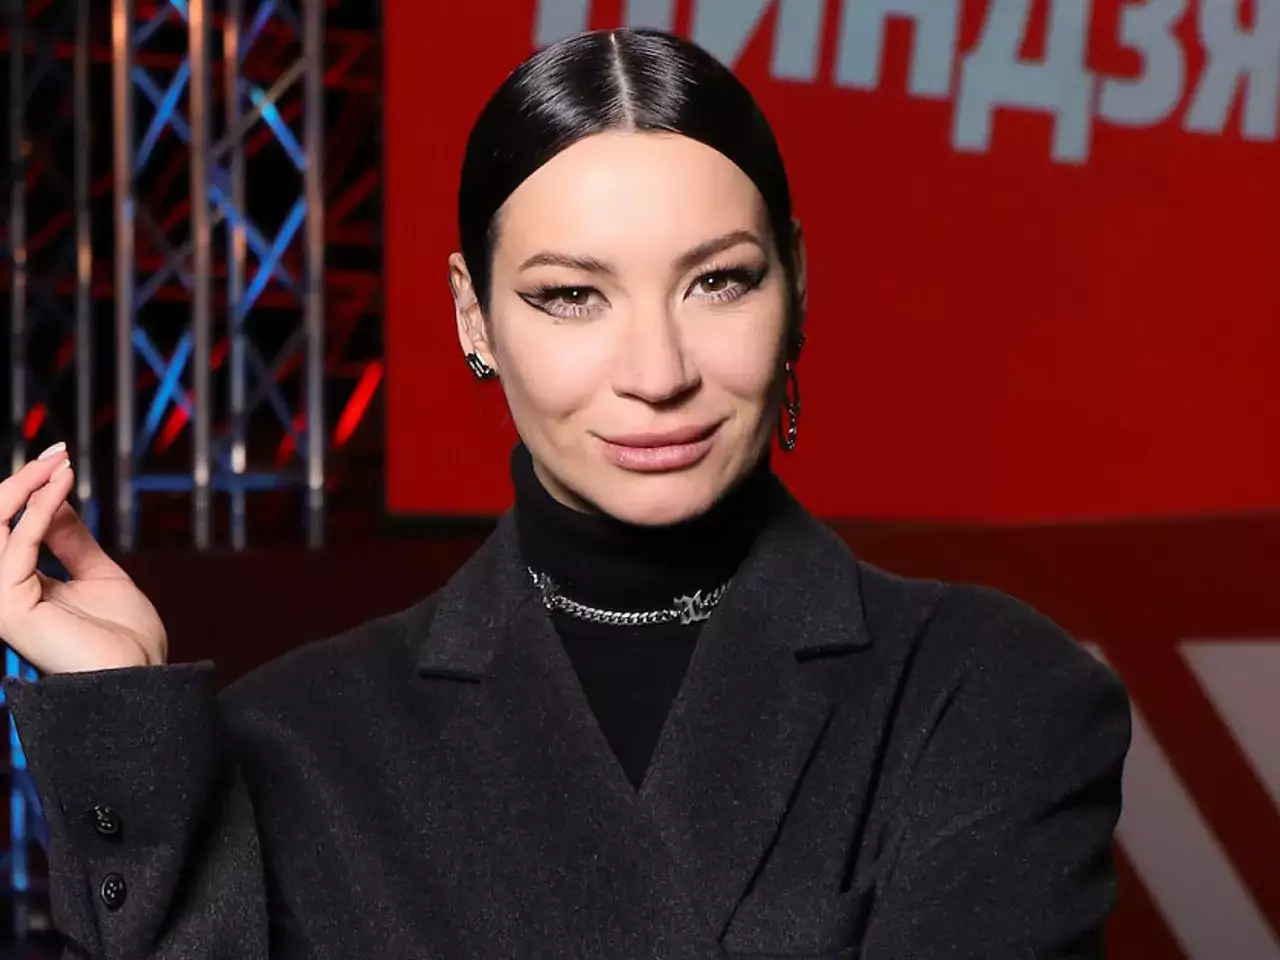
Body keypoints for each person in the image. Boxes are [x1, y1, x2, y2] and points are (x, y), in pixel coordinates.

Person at [0, 27, 1129, 960]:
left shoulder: (989, 693)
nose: (656, 372)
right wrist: (122, 714)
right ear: (473, 316)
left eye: (717, 280)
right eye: (572, 296)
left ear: (794, 283)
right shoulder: (293, 741)